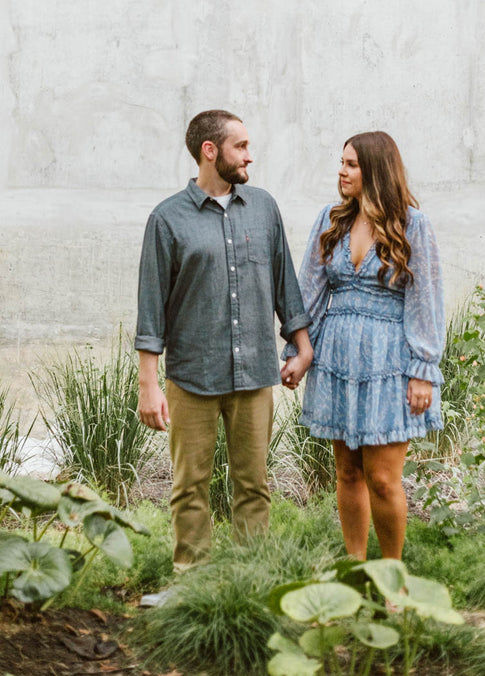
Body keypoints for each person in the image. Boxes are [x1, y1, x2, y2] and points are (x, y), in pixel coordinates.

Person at [136, 109, 312, 574]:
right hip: (193, 375)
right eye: (241, 147)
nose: (249, 157)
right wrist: (148, 385)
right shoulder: (167, 220)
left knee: (253, 484)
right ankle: (191, 580)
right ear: (210, 151)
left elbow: (284, 284)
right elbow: (151, 309)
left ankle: (249, 580)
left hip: (255, 372)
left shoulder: (264, 207)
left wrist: (302, 345)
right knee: (190, 484)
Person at [281, 131, 444, 560]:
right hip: (337, 358)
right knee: (347, 473)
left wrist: (423, 369)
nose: (341, 171)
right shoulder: (329, 220)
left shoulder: (413, 225)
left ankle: (390, 575)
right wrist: (299, 352)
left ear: (375, 170)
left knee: (384, 478)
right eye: (342, 163)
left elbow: (425, 299)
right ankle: (356, 569)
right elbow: (309, 294)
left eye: (351, 164)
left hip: (389, 363)